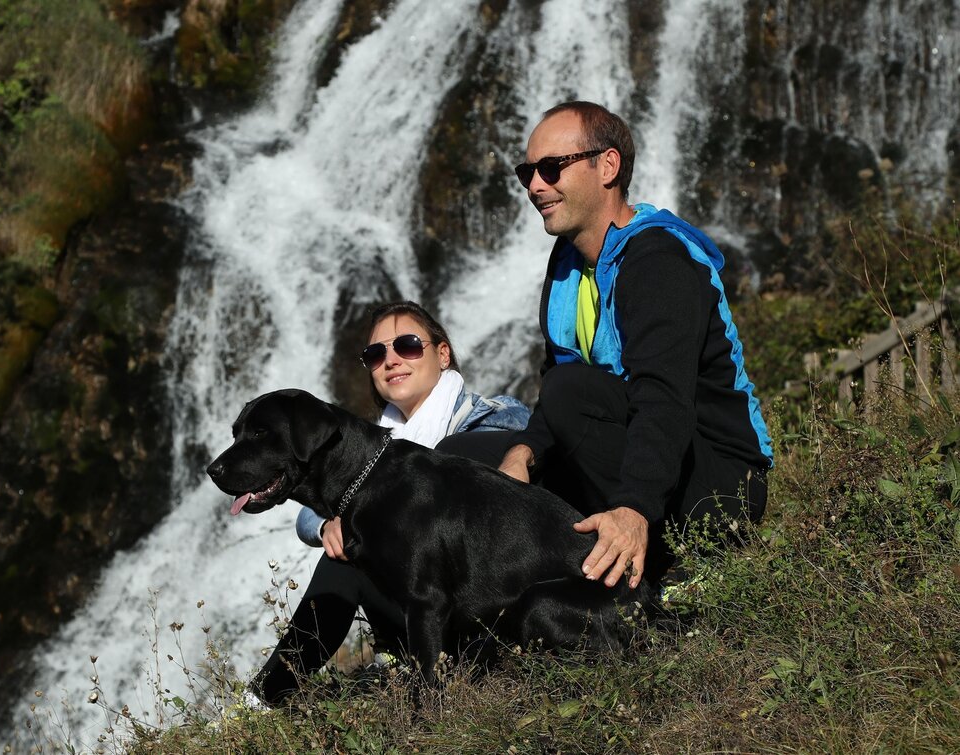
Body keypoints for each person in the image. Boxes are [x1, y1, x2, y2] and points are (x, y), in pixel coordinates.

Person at [491, 100, 773, 591]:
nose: (536, 185)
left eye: (552, 168)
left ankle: (671, 570)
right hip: (638, 455)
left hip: (719, 486)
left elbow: (663, 399)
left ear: (608, 165)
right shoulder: (567, 266)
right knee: (469, 454)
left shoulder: (658, 260)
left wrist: (634, 508)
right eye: (528, 172)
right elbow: (554, 378)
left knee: (569, 393)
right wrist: (522, 452)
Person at [253, 300, 528, 705]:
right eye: (375, 353)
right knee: (347, 549)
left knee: (362, 540)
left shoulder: (492, 417)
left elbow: (511, 450)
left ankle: (269, 694)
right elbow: (310, 508)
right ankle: (268, 697)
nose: (391, 360)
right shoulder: (369, 445)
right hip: (420, 607)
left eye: (408, 345)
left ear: (442, 353)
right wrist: (328, 523)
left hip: (485, 602)